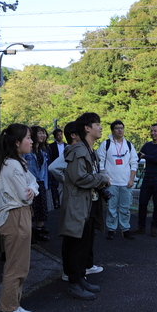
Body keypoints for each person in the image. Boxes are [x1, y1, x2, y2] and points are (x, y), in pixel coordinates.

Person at [0, 124, 38, 312]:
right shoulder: (12, 165)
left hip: (19, 215)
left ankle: (14, 305)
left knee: (20, 264)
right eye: (28, 138)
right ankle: (8, 310)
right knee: (16, 266)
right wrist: (32, 190)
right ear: (17, 142)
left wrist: (33, 189)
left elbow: (33, 184)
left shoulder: (17, 162)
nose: (32, 141)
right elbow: (26, 196)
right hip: (15, 215)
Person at [59, 112, 110, 300]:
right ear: (87, 128)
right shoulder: (79, 150)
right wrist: (102, 178)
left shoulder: (89, 149)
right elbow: (79, 177)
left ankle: (80, 279)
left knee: (85, 244)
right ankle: (74, 283)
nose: (100, 127)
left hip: (88, 204)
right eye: (97, 124)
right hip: (78, 205)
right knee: (76, 245)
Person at [51, 122, 104, 281]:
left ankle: (81, 270)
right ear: (74, 135)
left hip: (88, 198)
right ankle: (74, 275)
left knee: (84, 237)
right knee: (75, 239)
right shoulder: (74, 151)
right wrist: (69, 181)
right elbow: (53, 168)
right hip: (79, 199)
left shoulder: (86, 150)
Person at [97, 120, 139, 240]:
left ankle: (125, 229)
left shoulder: (129, 145)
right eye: (117, 128)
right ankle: (111, 229)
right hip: (111, 182)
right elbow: (100, 162)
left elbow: (134, 163)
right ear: (112, 130)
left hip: (126, 182)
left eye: (122, 128)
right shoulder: (106, 144)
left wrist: (131, 179)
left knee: (125, 208)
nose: (120, 130)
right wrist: (105, 179)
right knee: (111, 208)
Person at [134, 123, 157, 237]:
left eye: (155, 131)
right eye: (151, 131)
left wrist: (145, 156)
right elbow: (137, 157)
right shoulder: (147, 145)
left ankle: (154, 227)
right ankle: (141, 227)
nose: (153, 133)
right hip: (147, 176)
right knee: (142, 203)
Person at [24, 125, 50, 242]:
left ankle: (39, 231)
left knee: (42, 209)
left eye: (44, 133)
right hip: (29, 183)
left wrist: (45, 184)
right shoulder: (27, 151)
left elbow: (44, 169)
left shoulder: (42, 151)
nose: (43, 135)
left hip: (40, 182)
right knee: (30, 210)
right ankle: (30, 234)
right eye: (40, 133)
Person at [48, 127, 66, 208]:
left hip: (64, 167)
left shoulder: (67, 145)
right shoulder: (51, 146)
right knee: (55, 185)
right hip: (55, 166)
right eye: (57, 135)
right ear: (55, 136)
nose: (60, 136)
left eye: (60, 135)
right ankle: (56, 201)